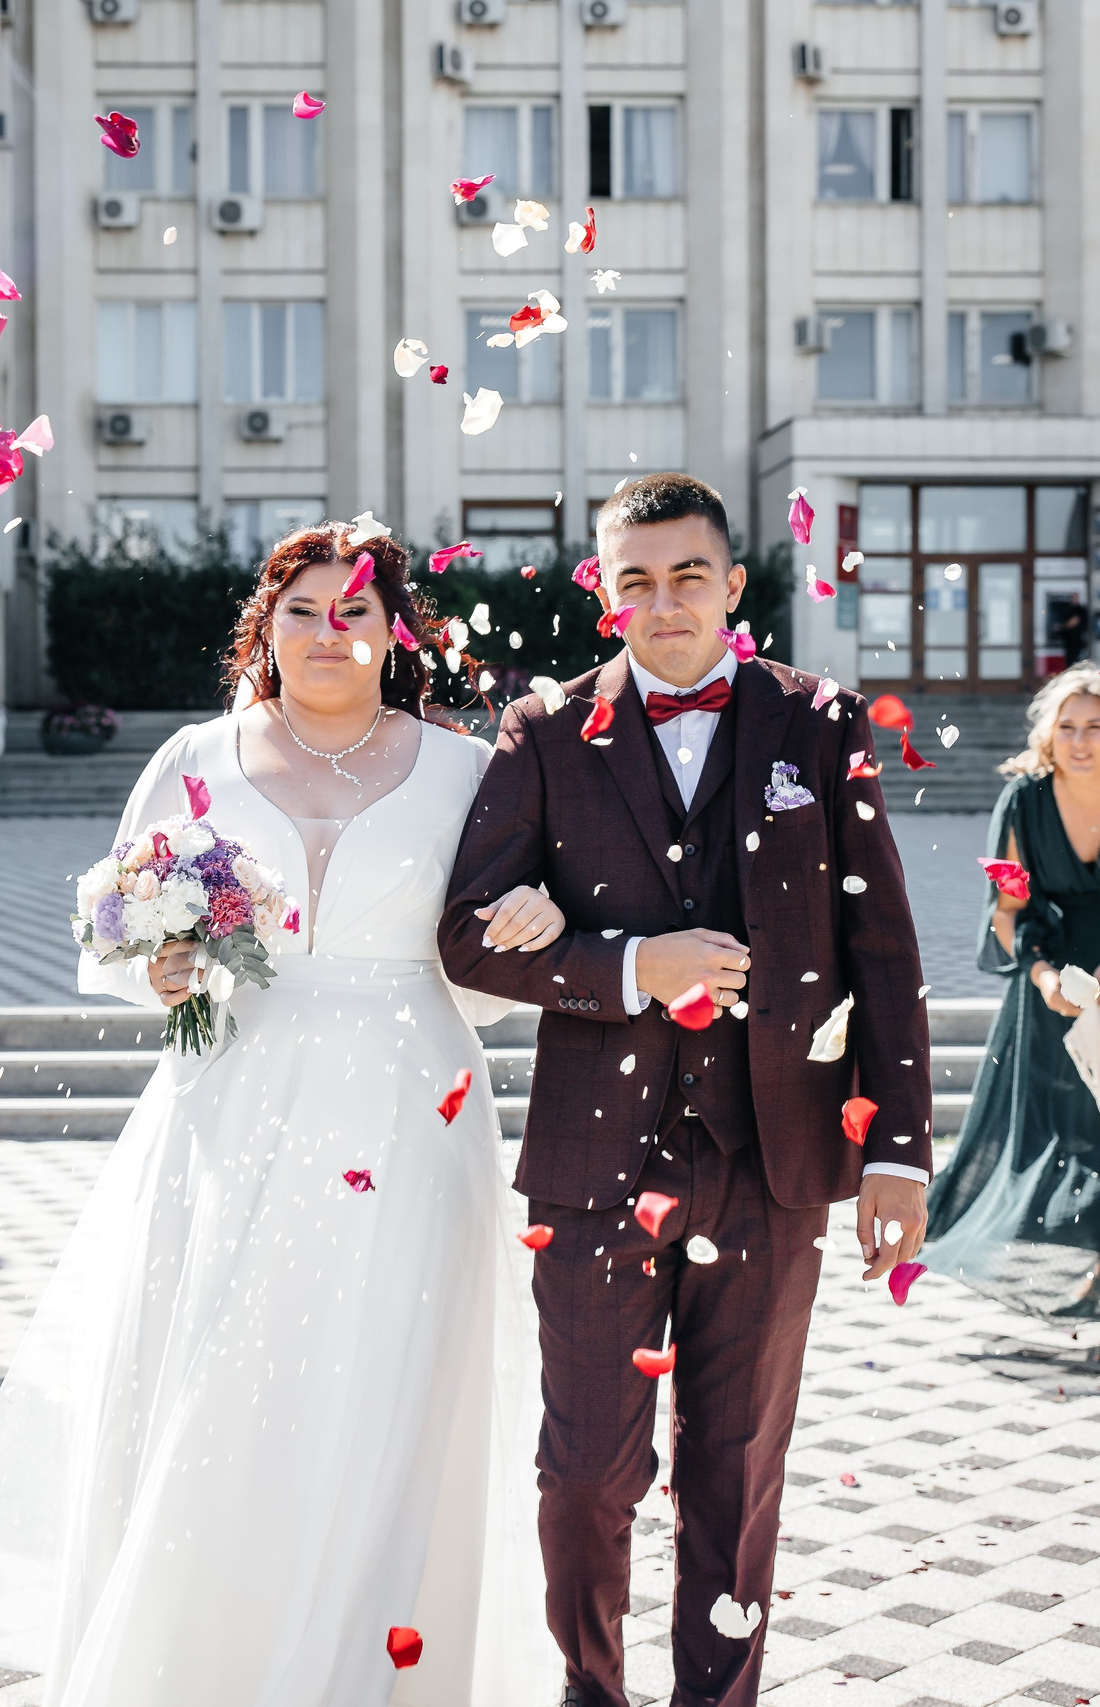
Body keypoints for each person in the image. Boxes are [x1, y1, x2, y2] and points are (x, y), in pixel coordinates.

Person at [0, 522, 573, 1702]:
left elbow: (482, 970)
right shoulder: (197, 759)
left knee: (386, 1392)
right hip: (229, 1112)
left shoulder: (469, 773)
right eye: (302, 611)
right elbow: (109, 925)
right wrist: (155, 969)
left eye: (353, 610)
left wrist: (537, 925)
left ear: (395, 631)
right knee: (219, 1383)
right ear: (265, 630)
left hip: (411, 1114)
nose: (328, 632)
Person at [439, 472, 933, 1707]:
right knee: (587, 1471)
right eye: (637, 580)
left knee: (736, 1463)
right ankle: (589, 1692)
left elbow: (879, 945)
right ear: (607, 591)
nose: (664, 602)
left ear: (733, 585)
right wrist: (621, 968)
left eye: (688, 576)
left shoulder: (816, 723)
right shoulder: (545, 732)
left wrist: (899, 1153)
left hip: (774, 1162)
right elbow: (461, 936)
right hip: (594, 1166)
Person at [922, 667, 1100, 1364]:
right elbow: (1007, 909)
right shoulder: (1023, 799)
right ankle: (1091, 1264)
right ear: (1048, 735)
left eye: (1095, 726)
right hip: (1056, 982)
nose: (1080, 740)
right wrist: (1045, 972)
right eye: (1067, 725)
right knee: (1066, 1131)